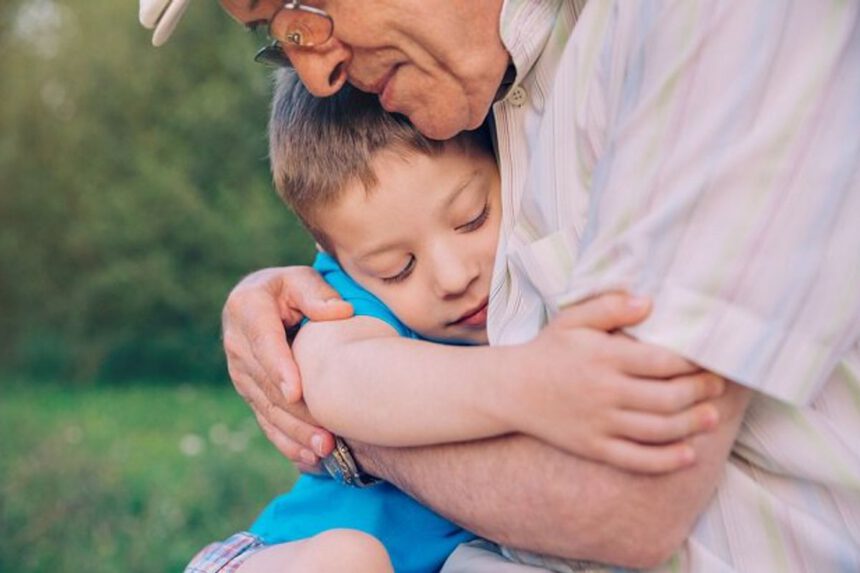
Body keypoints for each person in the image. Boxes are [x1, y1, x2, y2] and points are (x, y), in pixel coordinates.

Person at [143, 0, 860, 570]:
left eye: (303, 9)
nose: (316, 71)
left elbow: (626, 499)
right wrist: (531, 382)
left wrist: (351, 442)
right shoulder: (480, 86)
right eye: (276, 35)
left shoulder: (691, 28)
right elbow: (334, 366)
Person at [185, 70, 722, 573]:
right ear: (338, 261)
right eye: (396, 268)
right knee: (350, 560)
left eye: (472, 219)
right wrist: (535, 380)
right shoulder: (347, 303)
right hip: (274, 558)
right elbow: (341, 376)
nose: (452, 275)